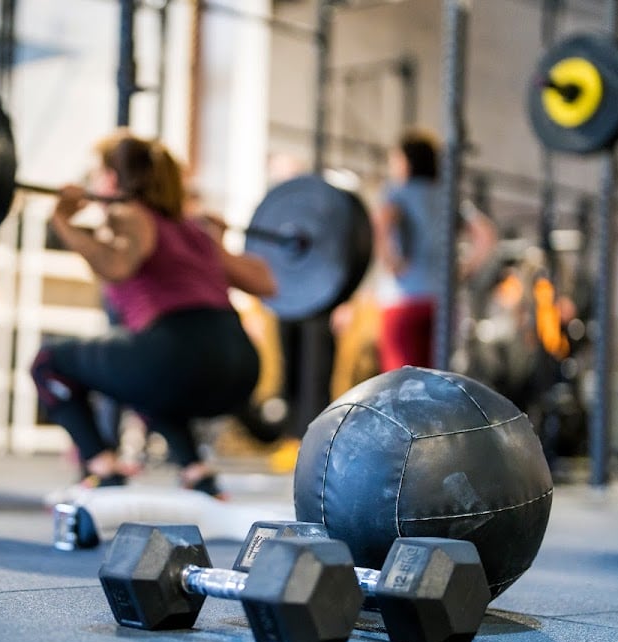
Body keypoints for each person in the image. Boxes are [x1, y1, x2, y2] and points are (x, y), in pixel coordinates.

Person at [32, 130, 276, 498]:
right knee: (145, 382)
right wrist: (220, 243)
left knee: (48, 362)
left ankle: (103, 469)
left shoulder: (129, 213)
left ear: (112, 179)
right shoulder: (196, 230)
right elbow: (266, 282)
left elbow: (115, 264)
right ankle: (198, 473)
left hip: (177, 354)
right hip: (240, 367)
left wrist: (63, 220)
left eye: (99, 173)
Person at [331, 129, 495, 371]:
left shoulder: (398, 192)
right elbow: (486, 234)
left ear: (405, 161)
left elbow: (381, 224)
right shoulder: (448, 196)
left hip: (403, 302)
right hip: (443, 302)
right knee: (436, 380)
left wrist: (391, 261)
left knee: (402, 383)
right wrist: (465, 269)